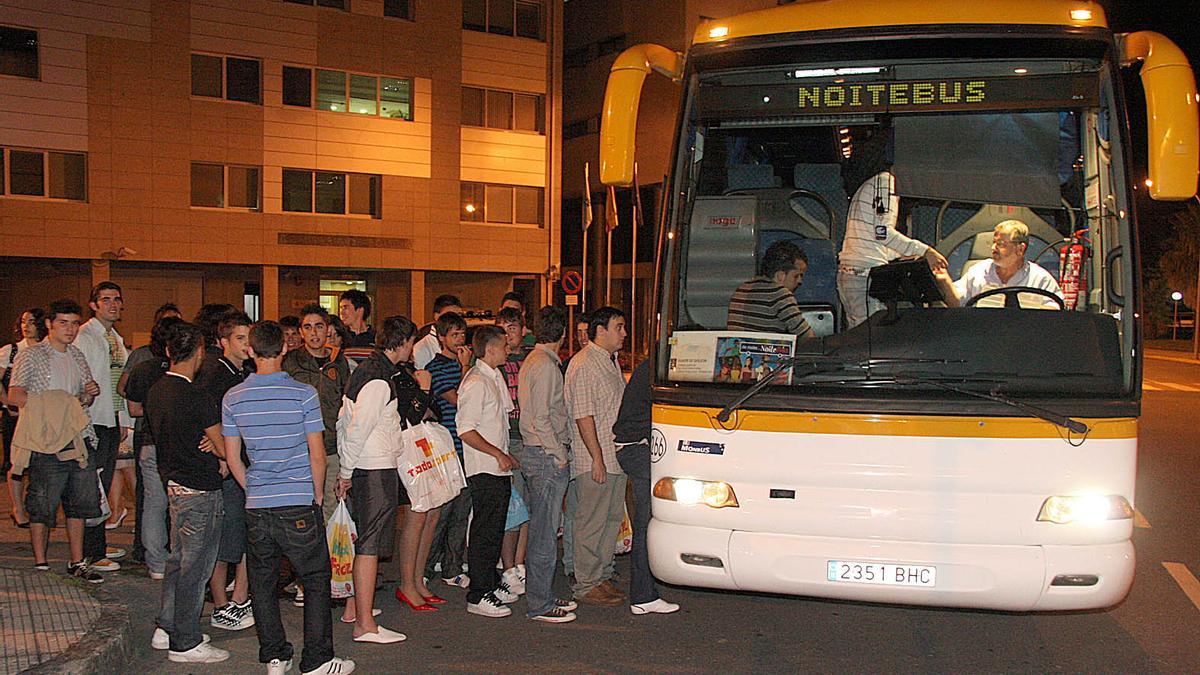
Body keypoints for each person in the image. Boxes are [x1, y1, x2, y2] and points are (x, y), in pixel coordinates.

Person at [223, 321, 356, 675]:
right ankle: (316, 660)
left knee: (263, 583)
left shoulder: (233, 398)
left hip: (258, 504)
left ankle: (274, 656)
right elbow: (317, 453)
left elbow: (233, 456)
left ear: (250, 351)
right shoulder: (303, 394)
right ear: (284, 348)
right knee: (314, 579)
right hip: (297, 499)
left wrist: (250, 488)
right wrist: (314, 493)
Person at [146, 321, 229, 664]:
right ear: (198, 353)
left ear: (168, 351)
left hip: (174, 486)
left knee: (177, 562)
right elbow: (226, 446)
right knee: (195, 569)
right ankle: (186, 640)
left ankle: (168, 626)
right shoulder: (195, 394)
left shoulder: (156, 390)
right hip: (200, 489)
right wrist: (219, 446)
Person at [7, 299, 103, 583]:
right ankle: (41, 562)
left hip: (77, 438)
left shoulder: (77, 356)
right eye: (63, 322)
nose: (70, 329)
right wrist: (55, 404)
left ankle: (77, 560)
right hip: (46, 439)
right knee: (41, 503)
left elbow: (83, 397)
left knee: (81, 503)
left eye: (74, 323)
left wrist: (89, 393)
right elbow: (15, 396)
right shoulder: (32, 355)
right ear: (49, 324)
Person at [335, 316, 409, 644]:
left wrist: (347, 470)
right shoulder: (378, 378)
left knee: (364, 539)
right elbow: (357, 429)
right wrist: (345, 473)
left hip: (365, 466)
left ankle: (355, 610)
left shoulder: (368, 370)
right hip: (373, 468)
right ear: (403, 342)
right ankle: (364, 624)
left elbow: (345, 422)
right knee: (369, 544)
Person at [837, 147, 947, 328]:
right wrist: (925, 250)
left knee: (859, 335)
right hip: (863, 274)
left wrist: (895, 254)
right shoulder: (887, 185)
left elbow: (875, 234)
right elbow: (882, 233)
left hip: (854, 272)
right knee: (870, 336)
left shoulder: (878, 184)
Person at [516, 306, 578, 623]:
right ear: (563, 334)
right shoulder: (545, 366)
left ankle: (541, 594)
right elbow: (541, 417)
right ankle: (539, 603)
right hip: (544, 455)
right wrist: (559, 453)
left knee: (543, 530)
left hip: (537, 453)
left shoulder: (535, 361)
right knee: (544, 533)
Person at [564, 306, 628, 607]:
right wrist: (597, 458)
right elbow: (583, 415)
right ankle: (586, 583)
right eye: (619, 327)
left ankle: (601, 576)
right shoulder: (585, 363)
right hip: (594, 458)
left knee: (610, 521)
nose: (624, 333)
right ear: (600, 331)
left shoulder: (609, 361)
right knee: (590, 523)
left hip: (615, 456)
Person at [195, 312, 255, 632]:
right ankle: (220, 605)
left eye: (249, 338)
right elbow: (205, 416)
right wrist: (219, 449)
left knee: (245, 538)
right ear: (223, 342)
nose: (246, 345)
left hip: (242, 466)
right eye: (239, 339)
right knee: (225, 542)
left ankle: (241, 597)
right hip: (227, 469)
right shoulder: (215, 374)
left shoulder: (244, 372)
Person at [457, 324, 520, 617]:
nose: (508, 350)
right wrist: (497, 454)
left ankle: (489, 584)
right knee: (484, 531)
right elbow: (466, 430)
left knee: (494, 530)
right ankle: (478, 594)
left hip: (498, 467)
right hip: (484, 468)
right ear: (491, 348)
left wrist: (504, 455)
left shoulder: (492, 377)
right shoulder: (477, 382)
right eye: (504, 345)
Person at [614, 360, 680, 616]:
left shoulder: (654, 367)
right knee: (647, 521)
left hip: (638, 447)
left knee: (649, 519)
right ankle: (643, 595)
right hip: (639, 449)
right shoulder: (658, 370)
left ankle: (644, 591)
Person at [385, 317, 443, 613]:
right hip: (405, 454)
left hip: (421, 450)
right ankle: (407, 583)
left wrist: (424, 389)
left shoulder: (405, 370)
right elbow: (408, 414)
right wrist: (423, 390)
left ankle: (417, 580)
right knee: (416, 516)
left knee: (431, 513)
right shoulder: (390, 373)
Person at [73, 281, 129, 573]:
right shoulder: (86, 336)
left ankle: (97, 545)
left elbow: (118, 385)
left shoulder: (114, 338)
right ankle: (90, 553)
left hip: (110, 420)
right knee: (92, 488)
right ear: (93, 305)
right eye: (105, 299)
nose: (112, 304)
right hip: (92, 421)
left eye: (116, 299)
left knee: (103, 486)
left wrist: (122, 421)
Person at [123, 315, 184, 580]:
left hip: (150, 442)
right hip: (179, 444)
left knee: (153, 504)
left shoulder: (144, 369)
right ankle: (177, 560)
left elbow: (134, 409)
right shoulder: (185, 371)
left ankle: (156, 564)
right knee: (180, 505)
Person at [283, 304, 351, 520]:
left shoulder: (339, 361)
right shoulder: (290, 362)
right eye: (308, 327)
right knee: (301, 510)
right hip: (300, 449)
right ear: (301, 331)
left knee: (331, 509)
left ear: (327, 329)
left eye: (319, 326)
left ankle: (329, 555)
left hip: (331, 447)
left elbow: (347, 404)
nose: (314, 333)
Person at [421, 311, 473, 589]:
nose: (460, 339)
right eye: (454, 334)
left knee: (461, 513)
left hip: (468, 449)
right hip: (446, 449)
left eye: (462, 334)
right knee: (440, 512)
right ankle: (425, 566)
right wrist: (465, 368)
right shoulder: (435, 368)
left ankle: (452, 566)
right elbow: (459, 400)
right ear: (441, 337)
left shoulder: (470, 365)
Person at [935, 220, 1064, 308]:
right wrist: (944, 281)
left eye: (1001, 244)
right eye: (994, 242)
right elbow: (957, 304)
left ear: (1020, 249)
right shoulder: (978, 271)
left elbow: (1055, 309)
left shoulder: (1040, 278)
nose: (993, 248)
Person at [496, 307, 530, 596]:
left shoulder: (533, 356)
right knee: (513, 508)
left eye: (513, 328)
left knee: (525, 506)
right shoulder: (494, 361)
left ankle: (519, 563)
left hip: (530, 437)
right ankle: (509, 566)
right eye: (503, 328)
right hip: (507, 440)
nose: (509, 334)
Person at [2, 307, 46, 528]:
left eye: (30, 321)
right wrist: (8, 404)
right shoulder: (10, 351)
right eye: (22, 322)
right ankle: (17, 509)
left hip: (40, 416)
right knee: (16, 464)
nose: (25, 326)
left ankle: (36, 507)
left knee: (39, 464)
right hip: (16, 414)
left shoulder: (48, 350)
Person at [727, 241, 815, 338]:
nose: (800, 281)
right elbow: (807, 336)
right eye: (796, 276)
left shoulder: (741, 289)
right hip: (765, 351)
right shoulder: (780, 294)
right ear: (780, 276)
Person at [413, 294, 462, 369]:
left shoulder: (462, 343)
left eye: (459, 315)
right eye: (449, 316)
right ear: (436, 316)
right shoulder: (421, 348)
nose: (455, 320)